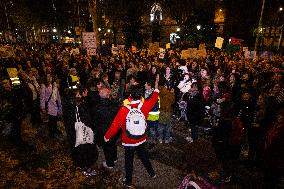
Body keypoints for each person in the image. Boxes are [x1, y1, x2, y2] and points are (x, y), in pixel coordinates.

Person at [104, 75, 160, 188]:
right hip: (141, 138)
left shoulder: (124, 109)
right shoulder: (144, 105)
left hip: (129, 140)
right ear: (141, 95)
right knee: (143, 155)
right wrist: (156, 85)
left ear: (130, 95)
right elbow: (154, 97)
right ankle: (152, 173)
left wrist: (107, 136)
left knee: (128, 160)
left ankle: (128, 180)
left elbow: (115, 125)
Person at [63, 87, 98, 177]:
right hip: (81, 131)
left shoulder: (68, 105)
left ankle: (81, 164)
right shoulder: (78, 106)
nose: (80, 96)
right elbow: (86, 119)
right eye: (78, 94)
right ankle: (86, 168)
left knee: (78, 148)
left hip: (74, 132)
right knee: (84, 149)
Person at [94, 88, 119, 169]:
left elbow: (95, 121)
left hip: (104, 131)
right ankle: (114, 158)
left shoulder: (97, 107)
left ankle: (110, 163)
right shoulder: (114, 104)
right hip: (114, 130)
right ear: (108, 95)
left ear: (100, 95)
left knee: (107, 147)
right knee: (113, 144)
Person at [40, 74, 62, 139]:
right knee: (51, 120)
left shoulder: (54, 85)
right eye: (48, 77)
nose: (50, 78)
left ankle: (55, 129)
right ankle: (51, 133)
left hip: (55, 104)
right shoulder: (44, 86)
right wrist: (43, 107)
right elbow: (42, 97)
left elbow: (58, 95)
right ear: (45, 78)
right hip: (49, 105)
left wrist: (59, 104)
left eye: (50, 76)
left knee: (55, 118)